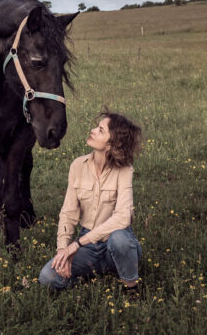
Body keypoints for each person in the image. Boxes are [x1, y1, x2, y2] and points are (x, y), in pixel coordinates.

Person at [38, 109, 143, 293]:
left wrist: (77, 244)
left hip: (114, 240)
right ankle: (96, 273)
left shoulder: (125, 170)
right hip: (88, 246)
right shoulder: (78, 165)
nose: (93, 131)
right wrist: (63, 251)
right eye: (96, 127)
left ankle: (131, 288)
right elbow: (68, 213)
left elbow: (122, 218)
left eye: (100, 130)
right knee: (47, 278)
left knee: (120, 240)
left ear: (113, 143)